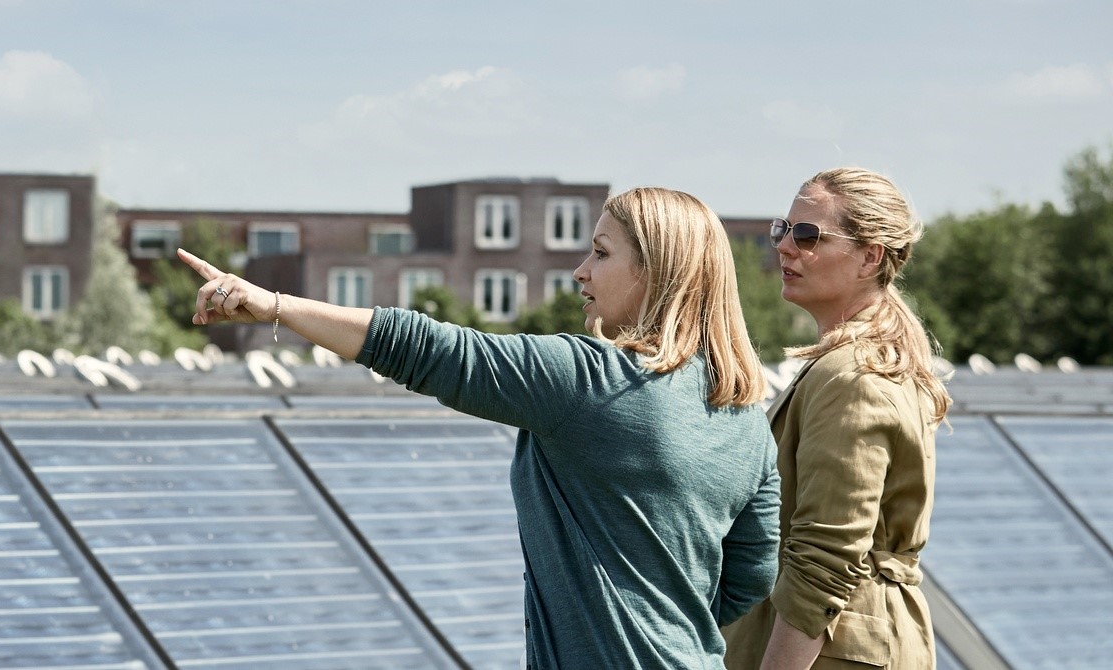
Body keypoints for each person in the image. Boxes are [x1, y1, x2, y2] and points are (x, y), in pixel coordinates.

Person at [182, 186, 780, 668]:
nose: (580, 271)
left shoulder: (588, 380)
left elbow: (424, 348)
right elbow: (752, 573)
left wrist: (276, 307)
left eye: (600, 253)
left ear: (656, 271)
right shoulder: (747, 416)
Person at [722, 168, 948, 669]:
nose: (784, 247)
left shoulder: (854, 375)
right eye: (784, 229)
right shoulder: (860, 363)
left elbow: (825, 559)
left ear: (871, 256)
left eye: (808, 236)